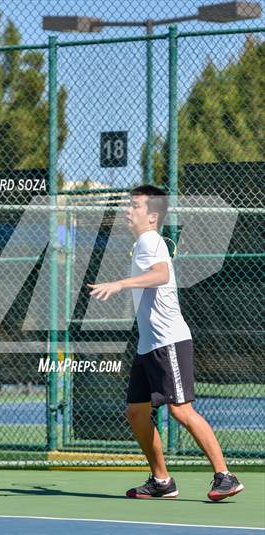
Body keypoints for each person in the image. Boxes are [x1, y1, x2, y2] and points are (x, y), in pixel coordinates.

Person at [87, 185, 243, 501]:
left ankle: (225, 476)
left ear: (152, 216)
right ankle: (161, 480)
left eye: (135, 206)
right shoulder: (143, 242)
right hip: (149, 346)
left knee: (181, 411)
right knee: (136, 412)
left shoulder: (150, 241)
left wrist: (119, 284)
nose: (128, 210)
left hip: (169, 342)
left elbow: (159, 275)